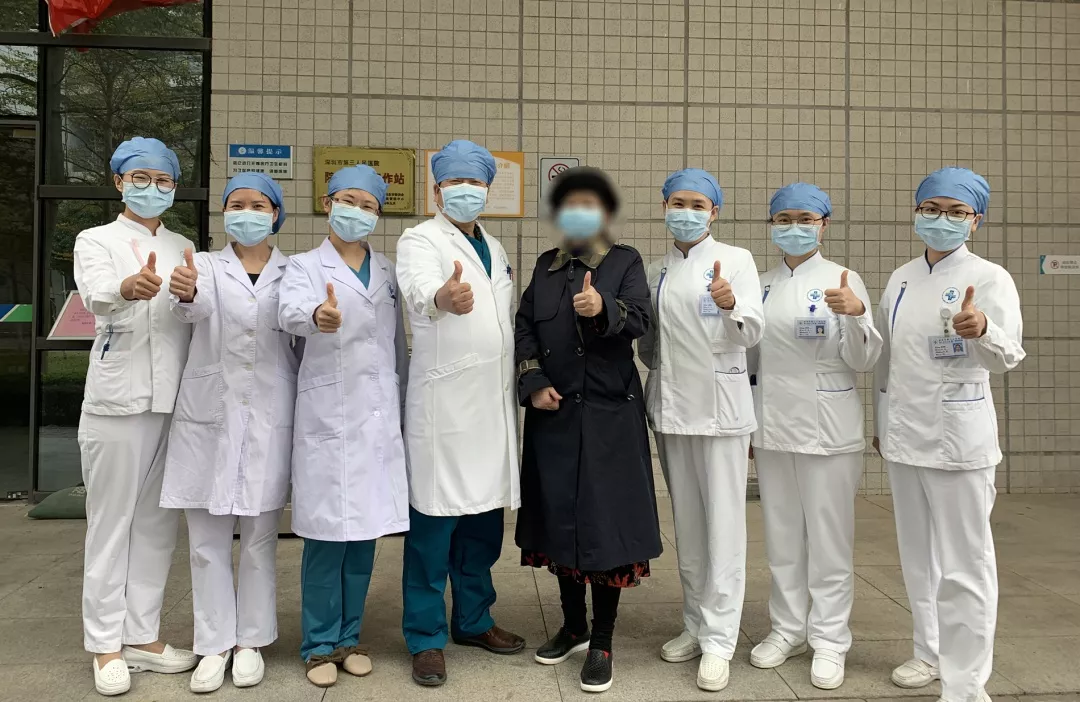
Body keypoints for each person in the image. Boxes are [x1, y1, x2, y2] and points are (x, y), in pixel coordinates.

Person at [874, 168, 1024, 702]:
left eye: (956, 211)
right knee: (918, 557)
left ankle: (965, 685)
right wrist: (883, 424)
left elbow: (1008, 356)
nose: (942, 219)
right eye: (932, 208)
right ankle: (929, 651)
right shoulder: (901, 277)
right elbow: (889, 359)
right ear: (916, 212)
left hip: (959, 438)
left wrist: (983, 330)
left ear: (974, 221)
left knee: (965, 565)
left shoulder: (990, 277)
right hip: (904, 435)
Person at [515, 167, 662, 693]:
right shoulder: (546, 265)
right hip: (554, 413)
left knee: (603, 526)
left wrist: (604, 309)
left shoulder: (625, 261)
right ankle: (573, 625)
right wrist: (533, 380)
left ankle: (602, 639)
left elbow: (640, 319)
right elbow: (525, 327)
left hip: (608, 415)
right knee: (559, 520)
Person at [160, 172, 297, 693]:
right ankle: (214, 643)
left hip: (269, 415)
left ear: (275, 214)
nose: (247, 213)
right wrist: (186, 291)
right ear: (224, 213)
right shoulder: (203, 265)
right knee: (206, 541)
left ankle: (251, 642)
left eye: (259, 205)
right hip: (210, 418)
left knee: (260, 538)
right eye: (237, 204)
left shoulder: (293, 271)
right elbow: (192, 306)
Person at [73, 137, 198, 696]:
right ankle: (104, 644)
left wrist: (191, 296)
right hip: (117, 400)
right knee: (111, 524)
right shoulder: (95, 239)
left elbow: (190, 316)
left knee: (155, 524)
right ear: (119, 182)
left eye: (163, 179)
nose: (152, 188)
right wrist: (127, 287)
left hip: (171, 399)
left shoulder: (183, 245)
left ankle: (142, 636)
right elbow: (97, 295)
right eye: (140, 178)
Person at [396, 140, 523, 687]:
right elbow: (418, 290)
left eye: (475, 183)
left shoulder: (495, 244)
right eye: (455, 183)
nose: (466, 191)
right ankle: (425, 638)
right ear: (437, 189)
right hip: (444, 407)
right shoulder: (419, 239)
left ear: (488, 191)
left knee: (482, 526)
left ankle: (474, 620)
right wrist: (442, 298)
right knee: (433, 529)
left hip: (490, 407)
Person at [746, 183, 882, 689]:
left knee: (828, 539)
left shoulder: (843, 279)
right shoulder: (760, 284)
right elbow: (749, 362)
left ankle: (829, 639)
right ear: (772, 225)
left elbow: (864, 360)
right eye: (783, 219)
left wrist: (856, 314)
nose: (794, 227)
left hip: (828, 428)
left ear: (823, 224)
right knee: (782, 535)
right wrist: (748, 425)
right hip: (773, 424)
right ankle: (787, 629)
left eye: (805, 218)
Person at [278, 165, 410, 688]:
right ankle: (317, 646)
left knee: (364, 538)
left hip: (376, 418)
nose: (358, 211)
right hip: (328, 418)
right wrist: (317, 315)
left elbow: (396, 344)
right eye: (348, 200)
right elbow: (289, 312)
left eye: (369, 205)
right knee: (325, 539)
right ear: (328, 203)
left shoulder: (388, 270)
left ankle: (349, 638)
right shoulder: (304, 266)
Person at [638, 168, 764, 692]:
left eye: (697, 205)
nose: (686, 212)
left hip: (720, 411)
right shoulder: (655, 270)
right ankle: (694, 624)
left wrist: (731, 305)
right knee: (687, 526)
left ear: (715, 212)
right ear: (664, 206)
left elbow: (753, 331)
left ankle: (719, 641)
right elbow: (649, 345)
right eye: (677, 203)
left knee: (723, 530)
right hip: (671, 409)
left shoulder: (737, 260)